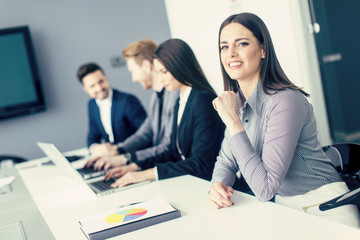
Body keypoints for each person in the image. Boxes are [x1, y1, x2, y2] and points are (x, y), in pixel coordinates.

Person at [207, 12, 360, 227]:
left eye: (241, 43)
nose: (230, 53)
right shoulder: (238, 104)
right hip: (284, 210)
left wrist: (233, 122)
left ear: (263, 49)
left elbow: (265, 188)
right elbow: (226, 160)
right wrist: (218, 185)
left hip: (324, 207)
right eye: (224, 47)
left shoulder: (285, 101)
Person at [104, 38, 225, 187]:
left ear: (179, 66)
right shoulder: (181, 98)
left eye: (164, 72)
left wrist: (148, 174)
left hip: (210, 186)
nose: (161, 79)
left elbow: (201, 163)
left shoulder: (202, 99)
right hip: (191, 182)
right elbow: (172, 152)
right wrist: (134, 167)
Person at [84, 39, 179, 170]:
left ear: (146, 66)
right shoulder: (155, 98)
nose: (133, 79)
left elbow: (167, 147)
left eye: (133, 71)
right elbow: (145, 132)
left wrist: (125, 158)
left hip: (169, 167)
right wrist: (117, 150)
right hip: (158, 164)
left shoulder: (174, 95)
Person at [77, 62, 147, 156]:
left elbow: (146, 134)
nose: (99, 88)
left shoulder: (127, 101)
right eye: (92, 86)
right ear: (85, 89)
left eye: (101, 81)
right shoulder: (92, 105)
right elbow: (92, 136)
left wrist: (117, 149)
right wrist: (95, 148)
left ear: (106, 78)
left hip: (134, 156)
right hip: (111, 159)